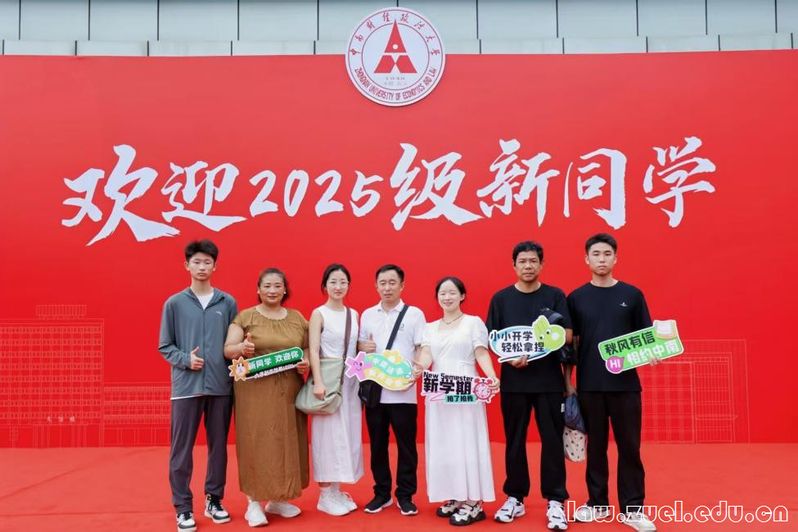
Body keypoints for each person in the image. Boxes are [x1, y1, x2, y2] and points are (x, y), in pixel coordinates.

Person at [566, 233, 657, 532]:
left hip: (626, 386)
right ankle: (597, 504)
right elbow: (571, 345)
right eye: (596, 254)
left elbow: (646, 336)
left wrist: (653, 352)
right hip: (590, 385)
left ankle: (633, 509)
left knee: (630, 448)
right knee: (596, 448)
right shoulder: (576, 298)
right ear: (586, 259)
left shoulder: (632, 295)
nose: (602, 259)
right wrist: (568, 383)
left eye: (607, 254)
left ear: (616, 258)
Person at [486, 241, 571, 530]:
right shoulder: (501, 299)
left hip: (549, 382)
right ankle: (515, 497)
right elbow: (492, 339)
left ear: (541, 264)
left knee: (552, 441)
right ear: (514, 265)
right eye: (522, 261)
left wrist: (544, 339)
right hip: (514, 382)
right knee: (515, 441)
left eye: (533, 261)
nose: (528, 266)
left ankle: (556, 500)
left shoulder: (555, 296)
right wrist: (509, 358)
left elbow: (567, 334)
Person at [159, 239, 238, 532]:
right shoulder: (174, 303)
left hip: (221, 387)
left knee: (219, 448)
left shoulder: (227, 303)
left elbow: (233, 343)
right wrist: (185, 360)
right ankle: (183, 508)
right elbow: (165, 345)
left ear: (215, 266)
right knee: (181, 450)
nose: (202, 267)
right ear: (187, 265)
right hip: (186, 388)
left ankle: (214, 500)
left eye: (207, 262)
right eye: (197, 262)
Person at [223, 268, 310, 527]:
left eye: (277, 286)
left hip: (289, 390)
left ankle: (278, 498)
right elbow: (228, 350)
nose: (272, 290)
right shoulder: (245, 317)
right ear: (258, 290)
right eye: (267, 286)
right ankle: (253, 502)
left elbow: (307, 347)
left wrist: (305, 361)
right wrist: (242, 348)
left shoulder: (297, 318)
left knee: (286, 441)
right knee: (257, 441)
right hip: (254, 392)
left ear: (285, 290)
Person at [412, 276, 499, 526]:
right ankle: (455, 494)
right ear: (437, 297)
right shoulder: (430, 327)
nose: (447, 297)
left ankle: (473, 501)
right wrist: (416, 369)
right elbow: (426, 355)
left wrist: (491, 376)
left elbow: (481, 352)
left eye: (452, 292)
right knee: (444, 442)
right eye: (442, 293)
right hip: (438, 390)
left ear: (462, 296)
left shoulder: (473, 323)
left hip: (466, 389)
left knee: (466, 440)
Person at [357, 264, 426, 516]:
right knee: (377, 444)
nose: (387, 288)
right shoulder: (367, 314)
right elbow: (360, 347)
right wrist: (361, 347)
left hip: (403, 391)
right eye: (382, 283)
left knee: (406, 446)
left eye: (392, 282)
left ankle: (405, 495)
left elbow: (422, 346)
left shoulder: (414, 314)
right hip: (375, 389)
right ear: (376, 286)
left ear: (402, 285)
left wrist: (418, 369)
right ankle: (382, 493)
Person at [307, 264, 363, 516]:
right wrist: (318, 382)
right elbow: (313, 349)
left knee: (346, 435)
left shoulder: (354, 314)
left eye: (343, 282)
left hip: (350, 383)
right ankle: (325, 494)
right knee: (326, 436)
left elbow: (352, 346)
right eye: (333, 282)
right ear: (324, 285)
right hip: (328, 382)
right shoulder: (319, 314)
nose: (338, 286)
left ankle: (337, 490)